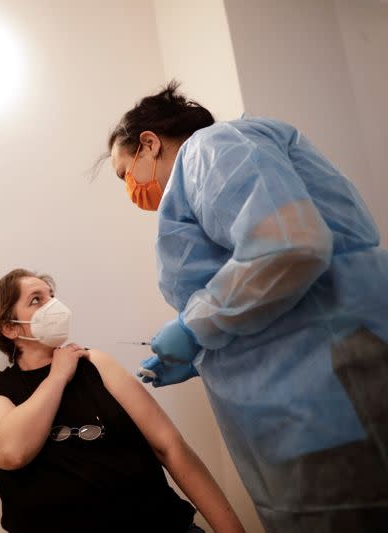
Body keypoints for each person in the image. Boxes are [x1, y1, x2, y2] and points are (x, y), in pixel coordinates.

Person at [104, 81, 388, 531]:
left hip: (326, 390)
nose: (131, 188)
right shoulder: (206, 173)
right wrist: (202, 351)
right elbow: (266, 287)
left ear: (149, 143)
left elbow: (289, 247)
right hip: (308, 382)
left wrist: (195, 328)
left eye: (125, 173)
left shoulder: (210, 149)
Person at [0, 268, 244, 533]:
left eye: (52, 296)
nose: (54, 306)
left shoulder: (95, 363)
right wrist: (57, 377)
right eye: (36, 300)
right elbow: (11, 452)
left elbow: (170, 447)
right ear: (10, 328)